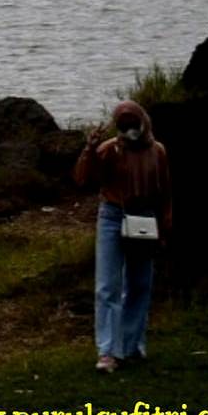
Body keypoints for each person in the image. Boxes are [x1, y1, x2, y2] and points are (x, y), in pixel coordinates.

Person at [74, 100, 172, 373]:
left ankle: (130, 345)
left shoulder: (157, 151)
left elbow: (164, 192)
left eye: (134, 123)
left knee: (140, 283)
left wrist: (165, 225)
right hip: (113, 216)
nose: (130, 130)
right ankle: (107, 351)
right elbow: (83, 179)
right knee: (108, 286)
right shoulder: (110, 150)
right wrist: (90, 149)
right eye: (124, 125)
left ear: (144, 122)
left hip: (144, 217)